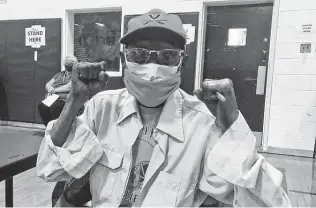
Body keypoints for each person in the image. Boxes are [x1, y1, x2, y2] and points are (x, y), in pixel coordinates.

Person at [36, 9, 292, 207]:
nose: (152, 67)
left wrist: (232, 128)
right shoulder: (102, 108)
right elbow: (51, 168)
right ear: (125, 58)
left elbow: (269, 201)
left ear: (183, 61)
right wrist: (73, 102)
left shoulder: (202, 123)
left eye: (167, 56)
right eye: (139, 55)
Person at [37, 56, 77, 126]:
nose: (68, 65)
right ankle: (49, 127)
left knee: (54, 106)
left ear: (74, 65)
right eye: (67, 63)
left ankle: (58, 128)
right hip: (54, 97)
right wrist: (49, 88)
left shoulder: (76, 74)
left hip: (65, 98)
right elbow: (48, 84)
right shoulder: (60, 74)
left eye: (70, 63)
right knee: (42, 106)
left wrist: (55, 90)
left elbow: (70, 86)